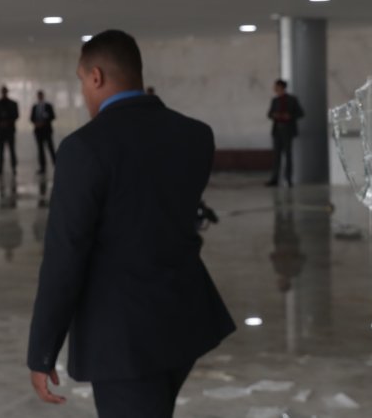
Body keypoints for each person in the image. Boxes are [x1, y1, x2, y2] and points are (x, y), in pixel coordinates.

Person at [27, 30, 235, 417]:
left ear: (96, 77)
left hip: (123, 337)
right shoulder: (195, 136)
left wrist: (43, 350)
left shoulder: (84, 149)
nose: (85, 93)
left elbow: (65, 256)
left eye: (81, 80)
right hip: (184, 318)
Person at [267, 79, 304, 187]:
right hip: (277, 130)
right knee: (276, 156)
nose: (275, 89)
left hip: (288, 130)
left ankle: (288, 179)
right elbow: (269, 114)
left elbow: (300, 113)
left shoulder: (292, 100)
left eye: (276, 86)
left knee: (288, 155)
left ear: (281, 87)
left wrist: (290, 116)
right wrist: (275, 115)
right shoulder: (275, 100)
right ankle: (275, 179)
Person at [0, 86, 20, 175]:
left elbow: (16, 115)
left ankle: (13, 168)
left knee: (12, 150)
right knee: (1, 150)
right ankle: (0, 168)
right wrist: (2, 122)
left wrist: (7, 122)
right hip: (1, 130)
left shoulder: (13, 103)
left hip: (9, 130)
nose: (4, 93)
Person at [31, 90, 57, 174]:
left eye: (41, 95)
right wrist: (37, 123)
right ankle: (42, 167)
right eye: (38, 95)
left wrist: (44, 122)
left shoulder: (48, 106)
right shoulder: (35, 106)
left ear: (43, 96)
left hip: (47, 130)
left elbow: (53, 116)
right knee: (40, 149)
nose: (40, 97)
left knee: (50, 148)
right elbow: (31, 118)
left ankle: (56, 165)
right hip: (38, 131)